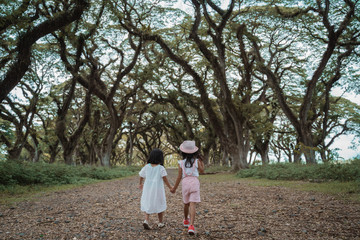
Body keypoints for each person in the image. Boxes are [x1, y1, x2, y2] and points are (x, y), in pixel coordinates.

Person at [171, 140, 205, 235]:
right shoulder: (197, 161)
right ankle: (191, 226)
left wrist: (174, 188)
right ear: (195, 152)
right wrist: (201, 161)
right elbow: (202, 171)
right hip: (194, 182)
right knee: (192, 204)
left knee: (186, 203)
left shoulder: (180, 163)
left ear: (182, 152)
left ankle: (186, 220)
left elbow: (179, 176)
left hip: (185, 183)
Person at [139, 148, 173, 230]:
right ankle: (160, 222)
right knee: (160, 203)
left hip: (148, 189)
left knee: (147, 202)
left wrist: (140, 183)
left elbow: (141, 176)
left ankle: (146, 220)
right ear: (160, 158)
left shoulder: (146, 167)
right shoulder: (161, 168)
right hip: (158, 190)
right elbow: (165, 179)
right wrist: (170, 187)